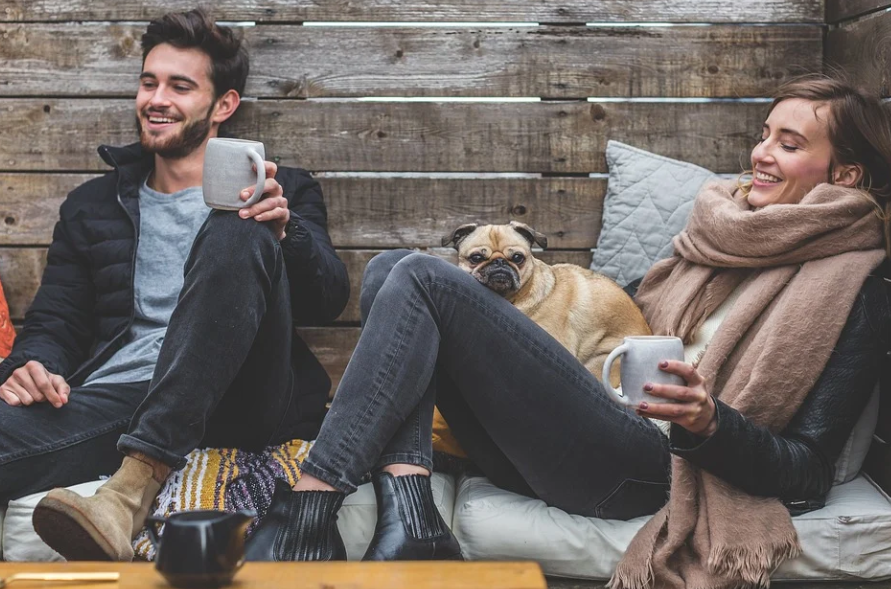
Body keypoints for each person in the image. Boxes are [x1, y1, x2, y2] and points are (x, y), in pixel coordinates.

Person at [242, 73, 891, 587]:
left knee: (416, 274)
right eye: (763, 132)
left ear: (844, 177)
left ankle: (307, 507)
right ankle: (412, 515)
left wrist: (709, 422)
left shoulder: (848, 288)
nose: (760, 153)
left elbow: (807, 472)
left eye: (788, 142)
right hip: (589, 430)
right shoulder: (717, 237)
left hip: (653, 464)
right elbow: (623, 317)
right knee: (390, 270)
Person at [0, 9, 349, 562]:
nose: (156, 99)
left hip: (240, 394)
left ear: (223, 105)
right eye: (148, 82)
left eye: (179, 86)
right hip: (121, 398)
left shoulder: (283, 189)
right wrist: (31, 366)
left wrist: (288, 231)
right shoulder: (92, 207)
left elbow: (329, 299)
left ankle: (135, 483)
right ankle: (141, 460)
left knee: (239, 225)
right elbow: (56, 324)